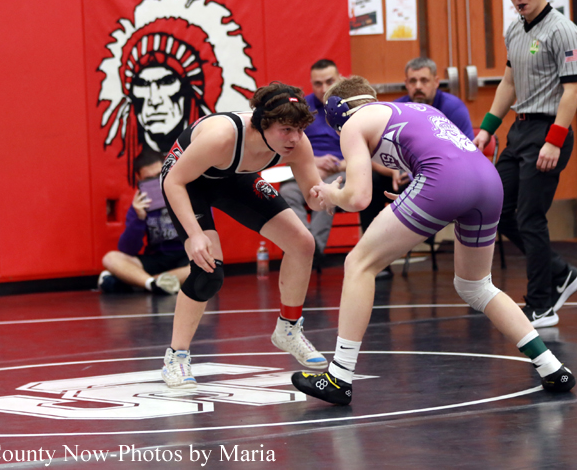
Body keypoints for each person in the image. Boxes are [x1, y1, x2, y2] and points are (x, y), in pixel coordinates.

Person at [291, 76, 576, 405]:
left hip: (443, 183)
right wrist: (415, 191)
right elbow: (442, 153)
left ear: (337, 114)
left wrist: (330, 194)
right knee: (476, 286)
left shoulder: (354, 123)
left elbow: (357, 198)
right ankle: (552, 367)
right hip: (487, 181)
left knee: (358, 264)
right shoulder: (417, 110)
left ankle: (339, 377)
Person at [159, 82, 329, 388]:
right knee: (208, 270)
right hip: (187, 181)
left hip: (233, 176)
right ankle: (176, 356)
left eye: (299, 130)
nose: (294, 138)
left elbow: (314, 197)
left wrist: (336, 195)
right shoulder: (222, 137)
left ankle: (288, 329)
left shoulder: (298, 144)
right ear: (263, 123)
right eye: (286, 130)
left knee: (303, 243)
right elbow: (174, 181)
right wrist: (194, 234)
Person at [473, 0, 577, 328]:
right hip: (519, 131)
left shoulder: (563, 31)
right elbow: (508, 83)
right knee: (499, 210)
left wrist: (554, 141)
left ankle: (542, 305)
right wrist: (488, 128)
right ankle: (560, 272)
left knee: (530, 218)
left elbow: (573, 90)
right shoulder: (515, 29)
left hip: (548, 130)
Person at [360, 57, 476, 278]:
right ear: (406, 83)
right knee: (372, 183)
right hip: (406, 176)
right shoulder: (396, 109)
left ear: (436, 82)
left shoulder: (453, 108)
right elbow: (371, 153)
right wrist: (392, 171)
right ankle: (375, 263)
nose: (418, 86)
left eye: (424, 80)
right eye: (413, 81)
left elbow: (468, 155)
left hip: (445, 180)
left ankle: (417, 232)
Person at [279, 60, 346, 264]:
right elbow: (286, 149)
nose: (324, 89)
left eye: (329, 82)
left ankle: (309, 251)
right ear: (311, 83)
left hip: (340, 171)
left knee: (327, 192)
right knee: (287, 193)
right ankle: (307, 245)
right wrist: (314, 164)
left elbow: (365, 151)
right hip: (305, 169)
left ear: (339, 79)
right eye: (318, 83)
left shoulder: (350, 108)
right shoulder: (300, 109)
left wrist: (337, 166)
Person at [98, 149, 191, 295]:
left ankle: (141, 282)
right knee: (110, 258)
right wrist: (139, 218)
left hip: (187, 255)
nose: (156, 181)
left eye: (159, 175)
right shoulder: (139, 206)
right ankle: (154, 284)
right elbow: (127, 250)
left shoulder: (186, 193)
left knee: (204, 268)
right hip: (156, 258)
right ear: (139, 178)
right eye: (149, 178)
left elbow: (205, 234)